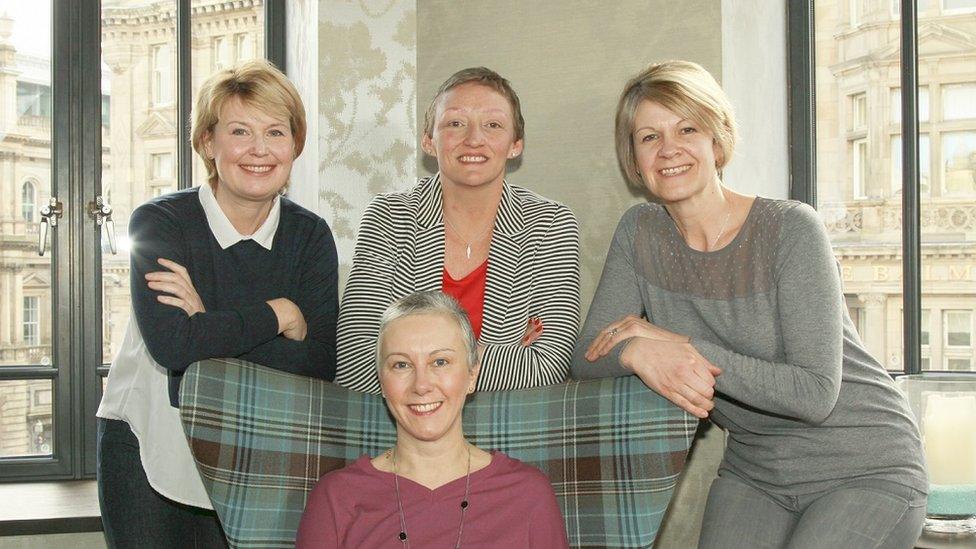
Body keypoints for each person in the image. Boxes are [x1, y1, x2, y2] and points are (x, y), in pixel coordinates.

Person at [571, 60, 927, 548]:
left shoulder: (791, 229)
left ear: (716, 141)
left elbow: (814, 393)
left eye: (687, 128)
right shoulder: (640, 233)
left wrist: (679, 344)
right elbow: (586, 354)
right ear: (633, 160)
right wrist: (636, 350)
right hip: (756, 471)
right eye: (649, 137)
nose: (669, 148)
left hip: (864, 463)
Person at [96, 60, 339, 548]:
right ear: (208, 142)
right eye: (239, 131)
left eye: (276, 132)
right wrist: (278, 314)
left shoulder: (310, 235)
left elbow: (317, 366)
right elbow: (172, 348)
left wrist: (206, 324)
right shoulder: (159, 222)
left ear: (295, 145)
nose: (259, 150)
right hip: (149, 441)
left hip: (254, 444)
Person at [334, 67, 580, 394]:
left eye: (492, 125)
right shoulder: (389, 218)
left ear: (515, 144)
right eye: (455, 123)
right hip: (397, 435)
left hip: (506, 432)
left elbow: (548, 366)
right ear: (429, 141)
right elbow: (356, 364)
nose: (474, 138)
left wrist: (406, 361)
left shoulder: (550, 224)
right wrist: (491, 359)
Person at [297, 291, 569, 548]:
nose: (422, 385)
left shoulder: (528, 493)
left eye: (440, 362)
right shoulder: (336, 497)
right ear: (381, 380)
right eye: (401, 365)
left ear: (472, 373)